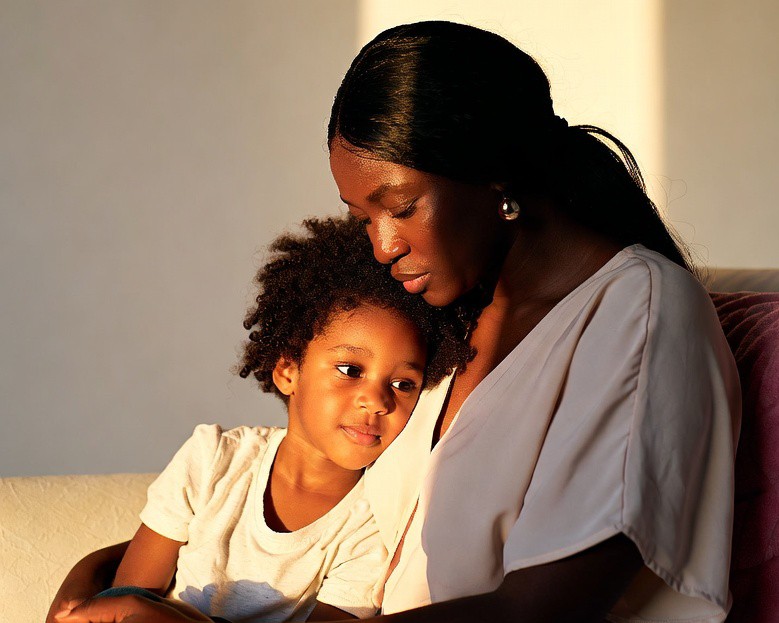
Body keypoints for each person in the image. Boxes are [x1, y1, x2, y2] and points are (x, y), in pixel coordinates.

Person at [53, 21, 741, 623]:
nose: (381, 246)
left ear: (495, 174)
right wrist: (94, 586)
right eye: (364, 218)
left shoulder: (638, 316)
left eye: (401, 207)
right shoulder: (449, 316)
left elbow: (542, 611)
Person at [50, 216, 471, 623]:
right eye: (349, 370)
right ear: (288, 371)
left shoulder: (371, 525)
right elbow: (126, 600)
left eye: (402, 384)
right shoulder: (213, 460)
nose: (377, 400)